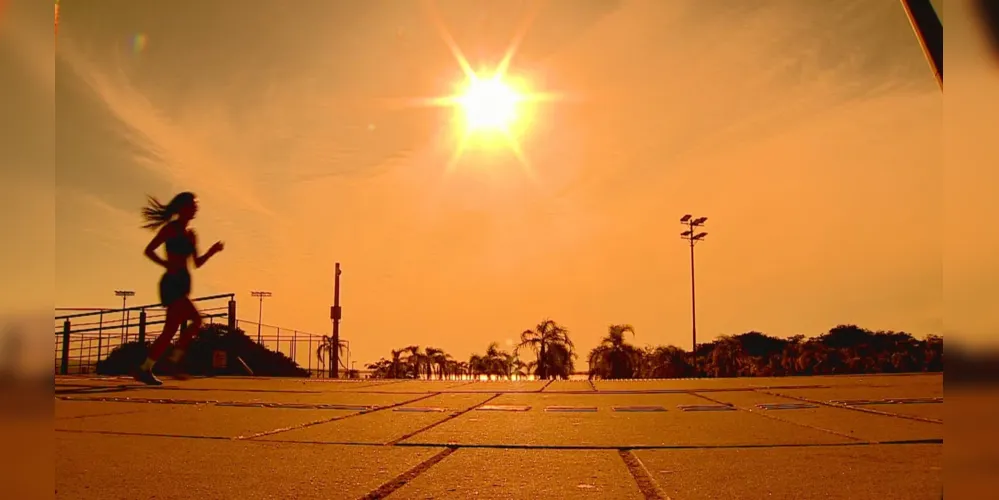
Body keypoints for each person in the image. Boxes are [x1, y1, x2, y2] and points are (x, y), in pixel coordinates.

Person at [134, 192, 224, 385]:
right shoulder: (170, 229)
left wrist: (212, 252)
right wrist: (166, 264)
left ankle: (145, 368)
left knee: (169, 331)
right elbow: (149, 250)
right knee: (197, 319)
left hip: (183, 283)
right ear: (182, 208)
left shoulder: (191, 235)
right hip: (171, 283)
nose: (195, 208)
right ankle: (173, 361)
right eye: (192, 205)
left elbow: (197, 263)